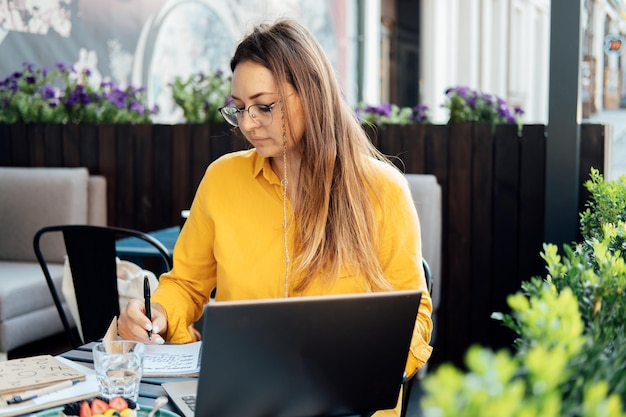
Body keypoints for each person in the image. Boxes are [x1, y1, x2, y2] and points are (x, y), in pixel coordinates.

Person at [118, 18, 433, 416]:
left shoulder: (381, 189)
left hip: (348, 405)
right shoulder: (222, 179)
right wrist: (158, 313)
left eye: (264, 106)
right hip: (244, 401)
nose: (248, 124)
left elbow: (415, 315)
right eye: (239, 109)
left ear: (312, 95)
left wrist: (365, 373)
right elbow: (186, 283)